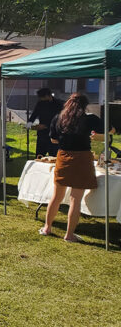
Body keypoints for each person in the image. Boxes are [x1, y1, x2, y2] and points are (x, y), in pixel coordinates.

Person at [40, 93, 105, 242]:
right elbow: (107, 130)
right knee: (75, 199)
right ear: (84, 105)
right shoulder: (90, 119)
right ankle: (69, 235)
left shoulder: (59, 118)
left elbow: (53, 139)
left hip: (64, 157)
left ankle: (47, 228)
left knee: (56, 196)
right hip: (82, 158)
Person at [28, 88, 63, 157]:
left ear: (47, 96)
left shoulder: (58, 104)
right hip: (42, 134)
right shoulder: (40, 103)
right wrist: (29, 124)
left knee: (53, 156)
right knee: (39, 155)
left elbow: (60, 119)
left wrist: (46, 125)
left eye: (42, 97)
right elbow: (34, 114)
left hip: (54, 134)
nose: (40, 99)